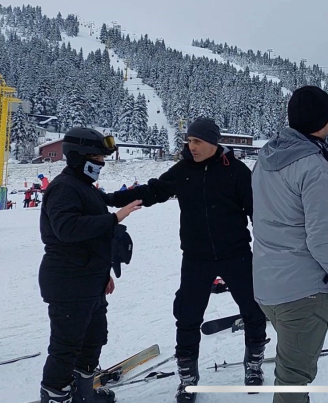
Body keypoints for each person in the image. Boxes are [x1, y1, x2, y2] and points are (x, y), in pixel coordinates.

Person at [108, 118, 268, 403]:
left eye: (197, 142)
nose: (191, 147)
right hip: (196, 257)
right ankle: (187, 379)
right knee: (187, 317)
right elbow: (152, 191)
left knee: (253, 309)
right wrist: (110, 198)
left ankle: (254, 363)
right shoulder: (183, 171)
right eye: (189, 141)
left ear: (213, 142)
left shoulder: (237, 172)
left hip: (236, 253)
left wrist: (270, 248)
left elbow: (257, 212)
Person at [252, 86, 328, 403]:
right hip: (302, 293)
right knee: (292, 382)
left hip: (267, 286)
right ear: (323, 121)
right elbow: (321, 239)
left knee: (291, 374)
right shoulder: (315, 169)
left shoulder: (266, 159)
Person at [38, 127, 141, 403]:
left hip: (90, 279)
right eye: (96, 158)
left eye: (102, 158)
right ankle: (55, 395)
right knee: (66, 346)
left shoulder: (84, 187)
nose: (101, 164)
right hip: (68, 280)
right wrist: (114, 218)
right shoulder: (64, 187)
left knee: (93, 339)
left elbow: (91, 239)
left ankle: (83, 394)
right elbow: (67, 228)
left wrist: (104, 273)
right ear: (77, 157)